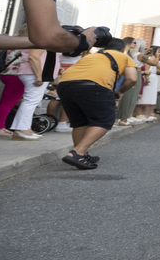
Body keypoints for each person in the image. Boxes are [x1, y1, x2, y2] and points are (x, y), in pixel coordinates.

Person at [56, 35, 139, 170]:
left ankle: (80, 153)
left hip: (65, 85)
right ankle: (78, 152)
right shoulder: (124, 57)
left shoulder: (91, 56)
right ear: (123, 49)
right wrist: (120, 91)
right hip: (94, 85)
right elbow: (132, 79)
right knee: (104, 120)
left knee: (80, 121)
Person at [133, 45, 160, 121]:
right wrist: (147, 79)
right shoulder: (149, 58)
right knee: (144, 96)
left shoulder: (156, 60)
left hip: (154, 77)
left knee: (151, 97)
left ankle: (147, 114)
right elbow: (147, 68)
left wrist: (157, 58)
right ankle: (140, 114)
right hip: (148, 76)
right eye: (159, 51)